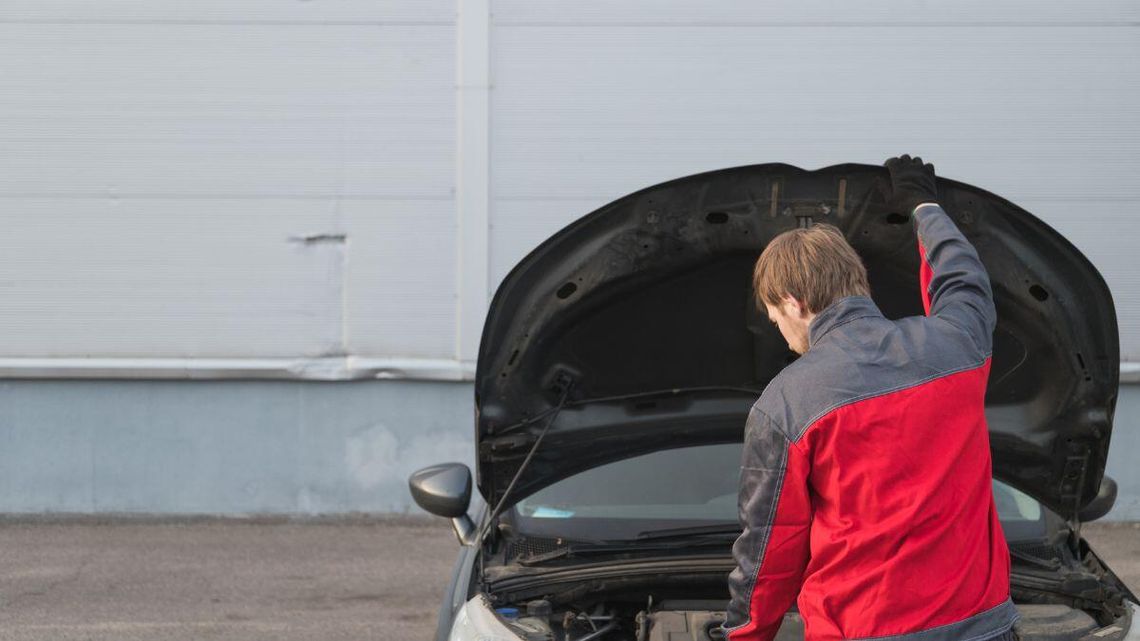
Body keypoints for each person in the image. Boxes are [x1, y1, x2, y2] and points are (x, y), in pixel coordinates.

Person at [723, 156, 1016, 641]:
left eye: (776, 318)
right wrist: (924, 207)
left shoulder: (786, 404)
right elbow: (963, 279)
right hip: (981, 626)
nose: (782, 333)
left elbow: (771, 546)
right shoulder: (957, 346)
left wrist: (745, 635)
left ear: (794, 302)